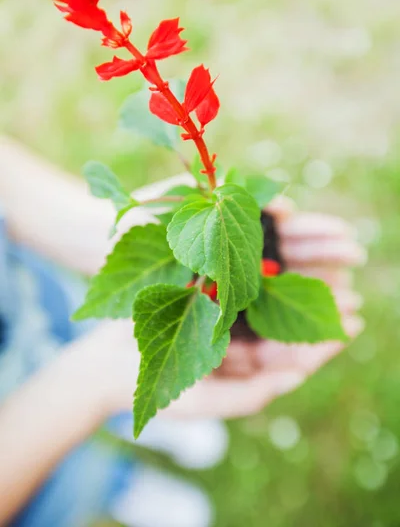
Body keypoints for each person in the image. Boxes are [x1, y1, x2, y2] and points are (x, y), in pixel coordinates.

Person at [0, 136, 365, 526]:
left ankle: (134, 416)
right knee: (66, 483)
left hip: (18, 289)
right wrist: (90, 387)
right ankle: (117, 481)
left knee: (69, 314)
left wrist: (91, 228)